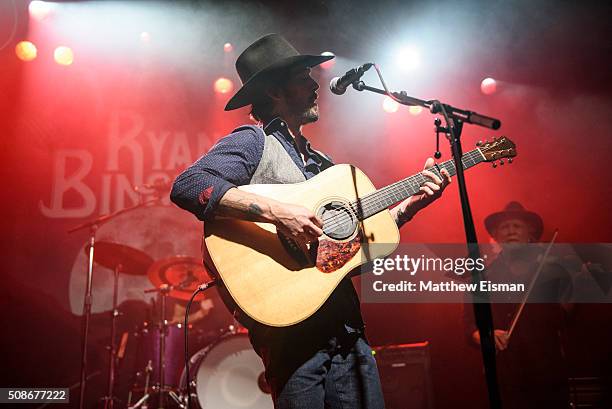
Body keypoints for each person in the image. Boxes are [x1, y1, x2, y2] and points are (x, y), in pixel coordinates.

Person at [171, 34, 451, 409]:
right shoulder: (254, 141)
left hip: (346, 328)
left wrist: (408, 208)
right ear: (274, 92)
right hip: (291, 331)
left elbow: (348, 250)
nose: (315, 84)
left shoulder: (324, 166)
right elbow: (190, 185)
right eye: (304, 76)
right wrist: (278, 212)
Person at [463, 201, 571, 409]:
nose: (511, 231)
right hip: (506, 373)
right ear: (495, 234)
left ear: (530, 233)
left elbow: (564, 319)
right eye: (504, 227)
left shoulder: (550, 271)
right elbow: (469, 325)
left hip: (548, 372)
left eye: (517, 226)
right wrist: (486, 335)